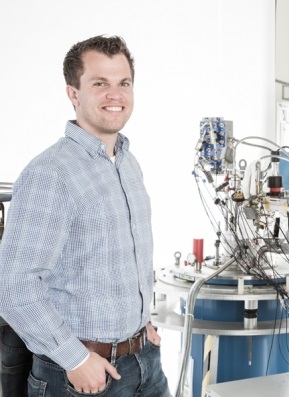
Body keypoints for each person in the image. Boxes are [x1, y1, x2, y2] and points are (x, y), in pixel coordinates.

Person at [0, 35, 171, 396]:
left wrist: (143, 325)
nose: (116, 95)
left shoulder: (127, 162)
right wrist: (75, 359)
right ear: (73, 93)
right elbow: (14, 286)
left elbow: (114, 262)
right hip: (81, 376)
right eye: (100, 83)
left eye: (123, 83)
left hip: (145, 363)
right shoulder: (51, 174)